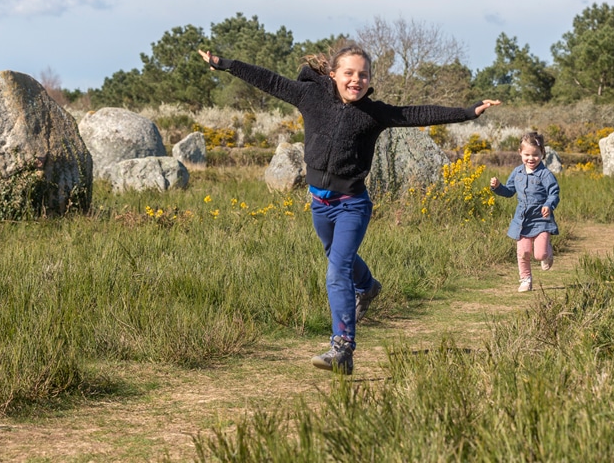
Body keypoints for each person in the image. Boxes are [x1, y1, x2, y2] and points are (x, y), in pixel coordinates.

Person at [198, 43, 500, 374]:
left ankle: (342, 348)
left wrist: (468, 112)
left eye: (363, 75)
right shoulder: (309, 97)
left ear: (370, 80)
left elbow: (418, 113)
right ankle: (368, 286)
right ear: (333, 75)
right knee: (339, 259)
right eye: (349, 73)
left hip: (352, 205)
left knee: (336, 270)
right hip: (319, 205)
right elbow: (268, 80)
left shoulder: (374, 113)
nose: (356, 80)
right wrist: (225, 64)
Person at [489, 131, 559, 293]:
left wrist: (549, 205)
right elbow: (509, 191)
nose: (531, 158)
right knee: (523, 252)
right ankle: (525, 280)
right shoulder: (517, 172)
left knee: (539, 255)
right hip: (522, 220)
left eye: (535, 155)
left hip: (542, 219)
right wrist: (497, 187)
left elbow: (554, 193)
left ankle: (548, 253)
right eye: (527, 154)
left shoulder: (546, 174)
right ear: (520, 153)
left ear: (542, 154)